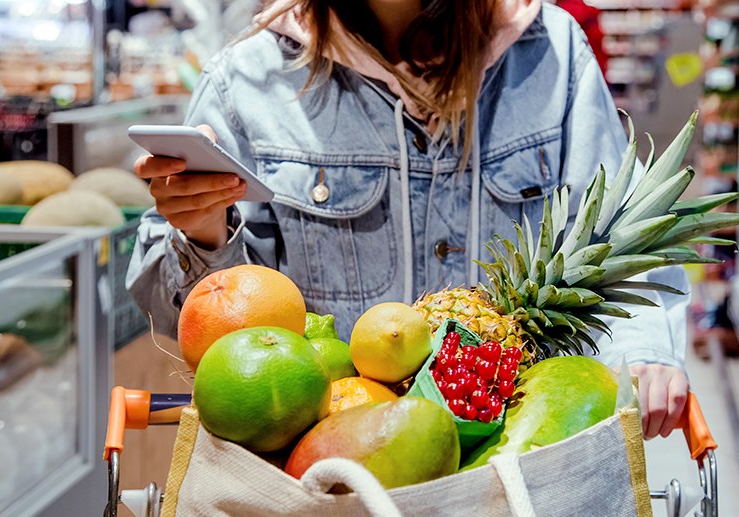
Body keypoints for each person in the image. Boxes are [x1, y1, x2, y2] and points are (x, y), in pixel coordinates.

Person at [127, 0, 691, 439]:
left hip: (526, 454)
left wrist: (644, 351)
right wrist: (205, 234)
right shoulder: (248, 78)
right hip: (330, 477)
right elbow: (206, 329)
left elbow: (615, 229)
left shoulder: (551, 52)